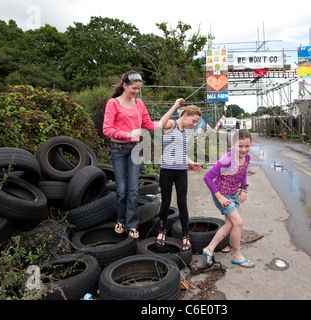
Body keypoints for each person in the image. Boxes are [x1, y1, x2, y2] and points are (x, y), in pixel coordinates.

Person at [102, 71, 183, 239]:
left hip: (134, 149)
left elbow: (151, 125)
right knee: (122, 189)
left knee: (133, 189)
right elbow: (107, 129)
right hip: (117, 149)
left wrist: (174, 107)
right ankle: (121, 220)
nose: (136, 92)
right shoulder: (113, 103)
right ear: (125, 85)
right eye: (133, 88)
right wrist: (127, 134)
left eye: (138, 89)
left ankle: (132, 225)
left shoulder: (139, 104)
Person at [202, 129, 255, 268]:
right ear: (233, 144)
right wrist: (219, 197)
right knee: (238, 223)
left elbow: (243, 173)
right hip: (222, 196)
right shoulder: (226, 160)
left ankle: (209, 248)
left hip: (233, 195)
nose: (244, 150)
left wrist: (244, 189)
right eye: (240, 146)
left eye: (247, 146)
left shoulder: (247, 158)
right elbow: (207, 178)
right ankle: (237, 255)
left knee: (230, 225)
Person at [156, 105, 203, 251]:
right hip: (167, 170)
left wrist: (191, 162)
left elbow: (181, 153)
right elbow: (160, 125)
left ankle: (185, 235)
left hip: (181, 171)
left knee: (182, 203)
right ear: (185, 115)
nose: (194, 125)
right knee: (166, 202)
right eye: (193, 121)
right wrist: (175, 106)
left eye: (196, 123)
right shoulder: (171, 125)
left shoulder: (184, 133)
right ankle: (162, 231)